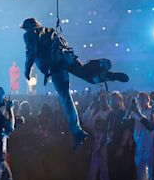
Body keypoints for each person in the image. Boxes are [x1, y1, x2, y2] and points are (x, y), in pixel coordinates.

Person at [21, 17, 129, 149]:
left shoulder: (30, 34)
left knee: (65, 97)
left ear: (27, 27)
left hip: (56, 66)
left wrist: (27, 69)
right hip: (68, 58)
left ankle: (77, 131)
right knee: (87, 76)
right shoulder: (50, 30)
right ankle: (104, 75)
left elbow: (30, 52)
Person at [126, 93, 154, 180]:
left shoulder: (152, 111)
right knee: (141, 174)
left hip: (150, 146)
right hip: (139, 147)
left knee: (151, 176)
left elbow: (150, 126)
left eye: (143, 100)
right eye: (139, 100)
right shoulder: (136, 112)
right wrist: (129, 111)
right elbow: (125, 122)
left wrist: (138, 114)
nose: (140, 102)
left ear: (148, 100)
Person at [82, 94, 113, 180]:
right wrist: (91, 106)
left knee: (104, 169)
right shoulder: (96, 111)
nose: (101, 101)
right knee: (93, 167)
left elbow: (109, 128)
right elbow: (87, 121)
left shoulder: (109, 112)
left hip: (103, 143)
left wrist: (103, 142)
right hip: (95, 141)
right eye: (99, 100)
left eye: (102, 99)